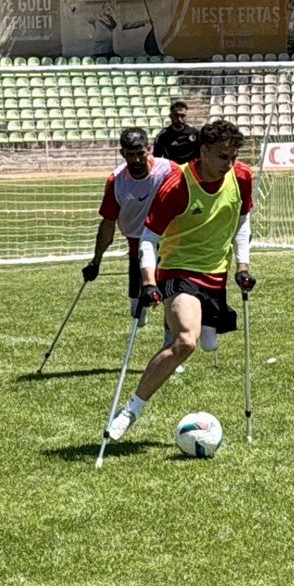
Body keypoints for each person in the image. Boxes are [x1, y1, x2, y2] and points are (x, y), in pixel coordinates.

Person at [105, 119, 257, 442]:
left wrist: (242, 265)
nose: (228, 164)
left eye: (233, 157)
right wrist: (148, 281)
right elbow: (148, 239)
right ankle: (131, 409)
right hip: (178, 270)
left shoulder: (242, 176)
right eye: (221, 157)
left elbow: (242, 221)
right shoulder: (177, 185)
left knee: (208, 343)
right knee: (186, 340)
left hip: (216, 274)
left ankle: (189, 330)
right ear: (203, 151)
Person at [82, 127, 176, 318]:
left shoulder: (169, 170)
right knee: (137, 314)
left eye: (140, 153)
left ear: (149, 148)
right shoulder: (116, 181)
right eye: (130, 155)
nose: (136, 160)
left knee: (172, 301)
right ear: (122, 153)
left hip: (170, 242)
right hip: (136, 242)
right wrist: (96, 261)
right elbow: (108, 223)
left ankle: (171, 340)